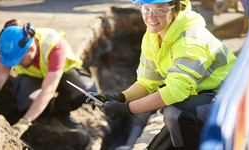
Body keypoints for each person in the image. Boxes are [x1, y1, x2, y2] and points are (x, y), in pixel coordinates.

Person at [86, 0, 237, 149]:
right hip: (201, 101)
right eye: (146, 8)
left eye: (160, 10)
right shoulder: (154, 35)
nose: (151, 16)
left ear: (175, 9)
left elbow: (175, 91)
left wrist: (127, 108)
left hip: (231, 100)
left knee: (175, 112)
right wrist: (119, 97)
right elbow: (148, 82)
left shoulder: (190, 38)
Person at [0, 19, 97, 138]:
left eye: (18, 61)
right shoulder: (11, 49)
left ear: (30, 49)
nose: (16, 64)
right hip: (33, 77)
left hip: (62, 75)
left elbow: (48, 91)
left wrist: (24, 122)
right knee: (25, 102)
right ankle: (43, 116)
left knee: (85, 89)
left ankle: (58, 111)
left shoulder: (54, 44)